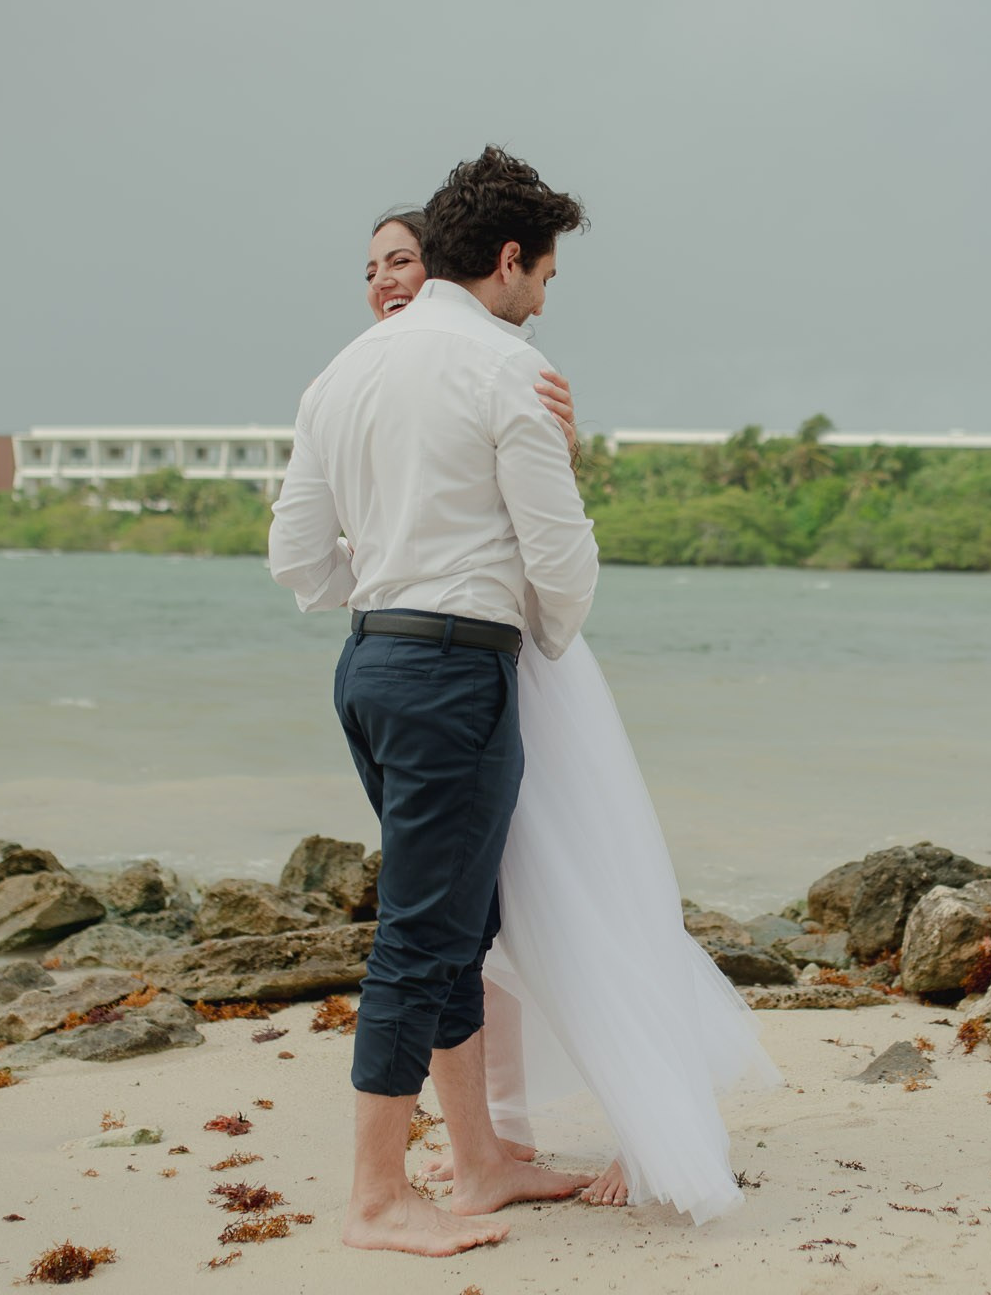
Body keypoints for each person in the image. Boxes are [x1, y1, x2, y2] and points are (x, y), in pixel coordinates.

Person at [355, 205, 780, 1221]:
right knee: (477, 922)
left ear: (447, 267)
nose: (386, 281)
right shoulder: (374, 382)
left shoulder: (497, 370)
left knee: (587, 887)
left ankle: (643, 1121)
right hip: (441, 659)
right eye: (370, 268)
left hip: (513, 658)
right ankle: (494, 1139)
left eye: (403, 260)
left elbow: (548, 545)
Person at [269, 147, 599, 1257]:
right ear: (509, 259)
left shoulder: (342, 371)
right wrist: (529, 634)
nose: (543, 298)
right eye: (544, 275)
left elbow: (297, 560)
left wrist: (389, 582)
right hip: (454, 673)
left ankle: (481, 1162)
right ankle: (376, 1199)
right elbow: (562, 563)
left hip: (368, 667)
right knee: (422, 934)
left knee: (458, 921)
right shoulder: (507, 369)